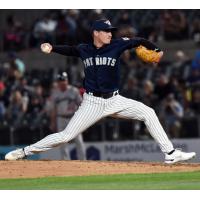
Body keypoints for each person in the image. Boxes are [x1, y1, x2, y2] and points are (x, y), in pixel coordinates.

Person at [5, 19, 196, 164]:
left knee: (148, 112)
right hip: (92, 103)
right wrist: (52, 47)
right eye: (106, 32)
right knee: (65, 136)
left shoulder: (117, 44)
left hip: (115, 100)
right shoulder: (84, 49)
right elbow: (70, 50)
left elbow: (139, 40)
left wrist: (157, 50)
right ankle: (24, 152)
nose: (110, 34)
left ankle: (170, 153)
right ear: (96, 33)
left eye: (111, 31)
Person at [48, 72, 86, 160]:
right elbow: (53, 109)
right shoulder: (55, 93)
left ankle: (83, 160)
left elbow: (82, 105)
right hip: (60, 118)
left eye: (63, 80)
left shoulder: (74, 90)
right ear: (58, 82)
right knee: (62, 142)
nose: (62, 82)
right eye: (60, 81)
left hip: (73, 118)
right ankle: (65, 161)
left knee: (79, 141)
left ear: (67, 80)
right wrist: (53, 122)